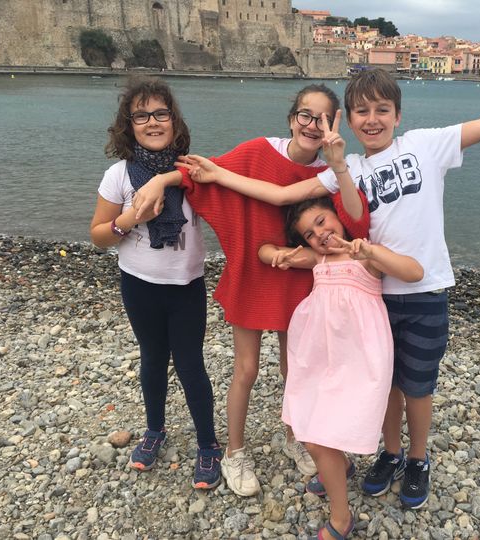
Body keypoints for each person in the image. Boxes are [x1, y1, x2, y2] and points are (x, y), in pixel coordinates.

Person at [137, 65, 480, 508]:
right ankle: (385, 452)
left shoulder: (424, 146)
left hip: (420, 289)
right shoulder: (346, 171)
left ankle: (417, 458)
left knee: (417, 387)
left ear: (396, 115)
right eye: (361, 110)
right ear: (343, 119)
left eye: (381, 110)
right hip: (376, 295)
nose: (372, 118)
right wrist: (212, 176)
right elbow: (280, 196)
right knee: (383, 386)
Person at [131, 85, 370, 496]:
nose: (312, 126)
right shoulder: (260, 151)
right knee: (246, 369)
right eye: (305, 115)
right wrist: (162, 181)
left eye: (323, 118)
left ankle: (294, 437)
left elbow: (351, 232)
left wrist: (301, 256)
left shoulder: (331, 172)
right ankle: (235, 453)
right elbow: (205, 172)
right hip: (253, 275)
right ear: (292, 117)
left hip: (299, 280)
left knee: (295, 368)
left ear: (335, 124)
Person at [260, 196, 423, 539]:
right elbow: (266, 250)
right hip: (317, 355)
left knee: (320, 437)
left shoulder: (365, 256)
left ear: (339, 215)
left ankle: (341, 518)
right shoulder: (317, 257)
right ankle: (342, 467)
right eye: (308, 233)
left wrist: (370, 251)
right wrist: (277, 255)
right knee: (306, 422)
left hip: (357, 359)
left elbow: (414, 271)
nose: (319, 234)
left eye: (321, 221)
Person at [89, 76, 222, 489]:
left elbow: (232, 194)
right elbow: (97, 236)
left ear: (173, 119)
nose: (152, 122)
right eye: (141, 115)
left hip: (186, 285)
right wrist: (132, 219)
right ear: (129, 125)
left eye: (160, 113)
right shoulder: (118, 175)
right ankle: (154, 430)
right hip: (139, 283)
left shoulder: (192, 170)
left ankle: (207, 444)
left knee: (190, 365)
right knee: (151, 360)